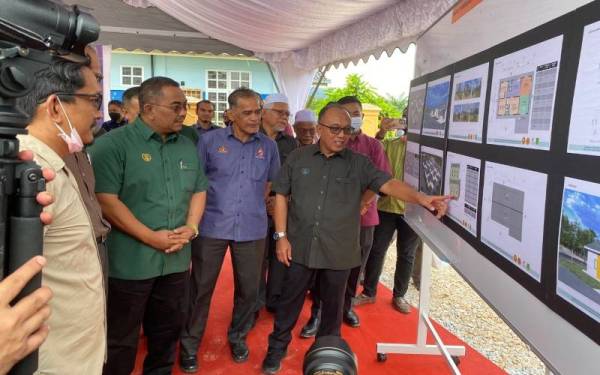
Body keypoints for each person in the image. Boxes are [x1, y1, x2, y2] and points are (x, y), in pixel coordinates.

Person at [261, 104, 450, 374]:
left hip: (339, 253)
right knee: (289, 305)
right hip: (300, 249)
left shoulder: (358, 163)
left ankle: (326, 361)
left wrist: (421, 198)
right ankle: (275, 351)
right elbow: (280, 194)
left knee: (333, 312)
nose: (341, 135)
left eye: (347, 130)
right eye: (335, 129)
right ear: (320, 128)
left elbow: (389, 184)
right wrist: (281, 237)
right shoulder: (298, 157)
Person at [90, 77, 208, 375]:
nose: (184, 112)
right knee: (121, 338)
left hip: (177, 261)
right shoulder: (112, 145)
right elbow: (106, 199)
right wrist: (150, 238)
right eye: (176, 106)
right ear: (149, 108)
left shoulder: (187, 145)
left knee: (167, 333)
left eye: (185, 106)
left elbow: (198, 189)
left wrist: (192, 227)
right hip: (130, 264)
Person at [179, 88, 280, 373]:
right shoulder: (209, 142)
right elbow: (196, 184)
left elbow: (271, 185)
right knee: (200, 288)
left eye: (258, 111)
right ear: (231, 113)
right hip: (211, 224)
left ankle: (238, 337)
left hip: (252, 226)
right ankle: (189, 346)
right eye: (246, 112)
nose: (254, 117)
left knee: (249, 290)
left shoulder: (268, 147)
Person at [16, 60, 107, 374]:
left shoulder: (54, 159)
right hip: (54, 359)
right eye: (94, 100)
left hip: (72, 350)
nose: (99, 114)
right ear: (55, 106)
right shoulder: (34, 169)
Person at [356, 112, 423, 313]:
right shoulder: (391, 145)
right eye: (405, 119)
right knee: (377, 249)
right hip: (386, 208)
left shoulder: (425, 151)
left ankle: (399, 295)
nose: (406, 122)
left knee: (407, 254)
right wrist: (382, 131)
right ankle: (369, 291)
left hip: (412, 211)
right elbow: (371, 154)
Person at [63, 45, 111, 289]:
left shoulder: (79, 140)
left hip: (96, 246)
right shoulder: (33, 152)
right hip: (66, 263)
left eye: (99, 76)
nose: (98, 87)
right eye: (88, 72)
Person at [260, 94, 298, 313]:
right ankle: (254, 302)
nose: (285, 117)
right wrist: (264, 200)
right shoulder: (252, 137)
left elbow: (295, 178)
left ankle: (274, 298)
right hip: (255, 208)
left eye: (287, 114)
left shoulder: (290, 143)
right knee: (256, 260)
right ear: (264, 112)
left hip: (282, 209)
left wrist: (281, 201)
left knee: (279, 252)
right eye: (280, 112)